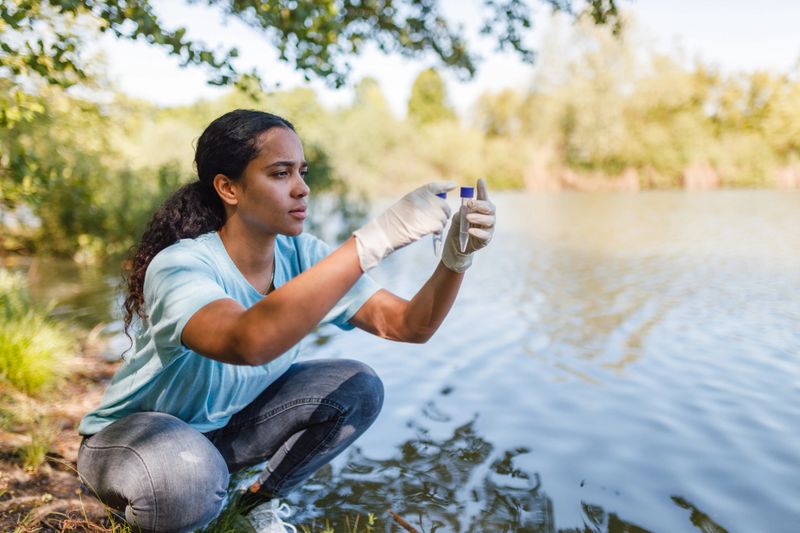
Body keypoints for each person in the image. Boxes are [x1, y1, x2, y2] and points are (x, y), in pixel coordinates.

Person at [76, 109, 496, 533]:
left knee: (358, 386)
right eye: (280, 174)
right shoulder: (181, 266)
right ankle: (171, 498)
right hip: (131, 441)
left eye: (302, 172)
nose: (302, 189)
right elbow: (247, 341)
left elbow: (409, 325)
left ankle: (252, 502)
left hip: (218, 433)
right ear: (228, 188)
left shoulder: (303, 256)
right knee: (186, 480)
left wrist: (455, 260)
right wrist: (376, 239)